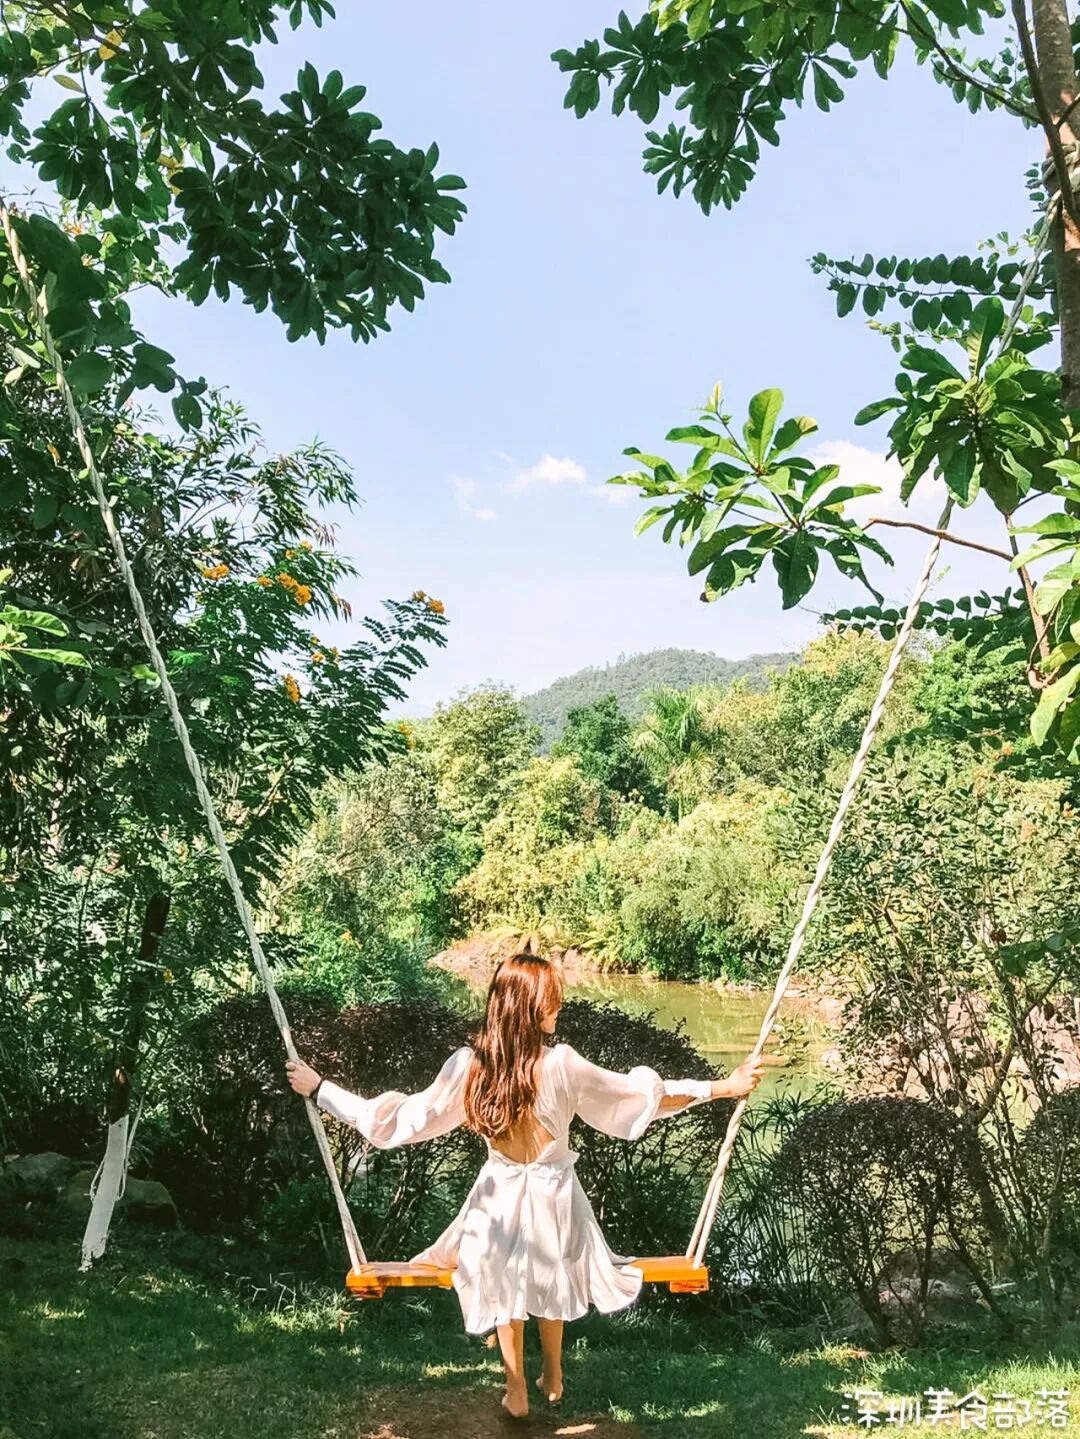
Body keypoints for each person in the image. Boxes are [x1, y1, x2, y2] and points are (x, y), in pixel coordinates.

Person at [286, 951, 766, 1420]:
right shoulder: (562, 1065)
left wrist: (322, 1089)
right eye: (551, 999)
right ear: (530, 1007)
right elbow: (640, 1098)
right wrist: (723, 1087)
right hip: (556, 1196)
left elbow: (400, 1120)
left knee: (502, 1283)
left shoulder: (471, 1067)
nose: (559, 1007)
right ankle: (552, 1373)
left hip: (494, 1201)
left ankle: (515, 1387)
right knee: (552, 1270)